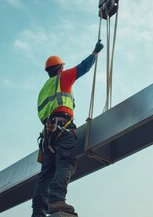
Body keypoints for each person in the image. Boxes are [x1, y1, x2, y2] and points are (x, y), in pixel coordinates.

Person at [32, 41, 104, 217]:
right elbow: (82, 68)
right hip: (62, 130)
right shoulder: (62, 79)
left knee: (46, 175)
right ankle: (57, 199)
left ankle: (38, 213)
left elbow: (41, 115)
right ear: (60, 68)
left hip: (48, 135)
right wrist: (95, 52)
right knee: (66, 163)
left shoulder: (43, 89)